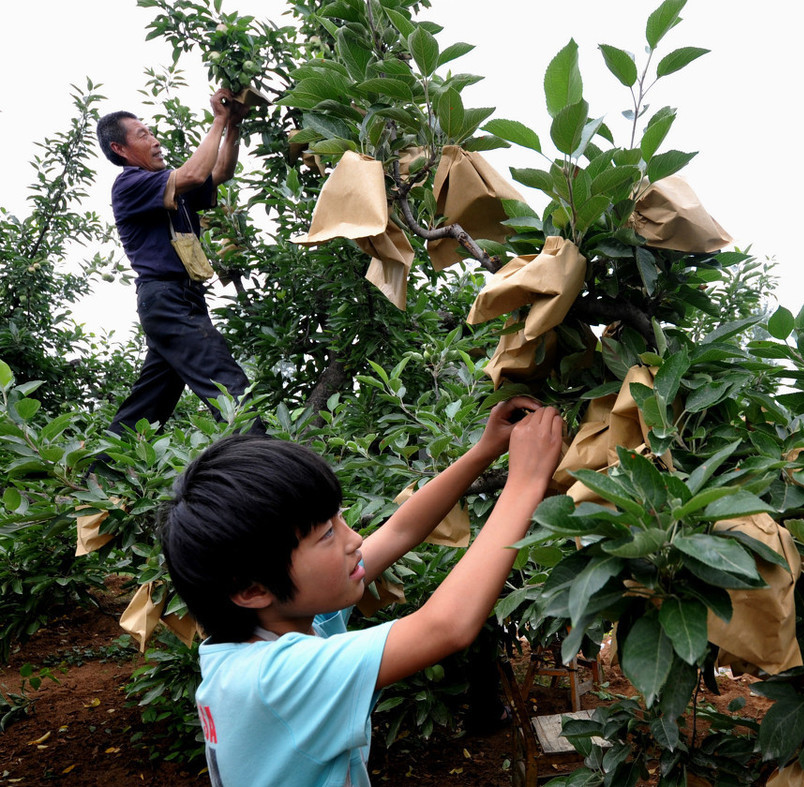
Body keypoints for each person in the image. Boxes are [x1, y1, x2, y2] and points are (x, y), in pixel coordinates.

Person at [159, 397, 562, 787]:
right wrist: (525, 484)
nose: (354, 540)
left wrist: (485, 450)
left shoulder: (285, 622)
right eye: (328, 534)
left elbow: (400, 531)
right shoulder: (275, 679)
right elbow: (446, 626)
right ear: (251, 589)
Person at [95, 89, 259, 436]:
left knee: (150, 403)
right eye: (143, 135)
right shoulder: (131, 185)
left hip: (181, 300)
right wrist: (218, 119)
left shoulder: (162, 184)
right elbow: (195, 174)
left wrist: (233, 127)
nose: (154, 141)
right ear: (120, 150)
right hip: (167, 299)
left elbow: (220, 171)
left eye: (151, 132)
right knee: (227, 385)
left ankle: (103, 476)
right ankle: (270, 469)